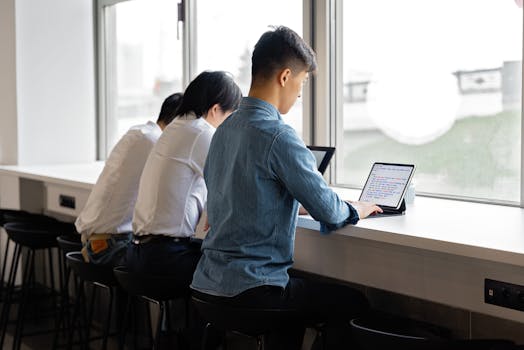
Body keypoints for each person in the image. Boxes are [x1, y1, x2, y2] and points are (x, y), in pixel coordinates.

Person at [191, 26, 382, 349]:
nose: (299, 93)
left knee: (292, 303)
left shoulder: (223, 130)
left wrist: (294, 201)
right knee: (351, 304)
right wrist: (357, 207)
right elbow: (330, 212)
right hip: (251, 291)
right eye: (302, 83)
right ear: (285, 77)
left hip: (206, 286)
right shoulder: (278, 135)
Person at [127, 71, 242, 285]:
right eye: (230, 117)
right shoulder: (201, 132)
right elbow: (235, 187)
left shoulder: (175, 129)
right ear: (216, 110)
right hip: (163, 257)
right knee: (238, 274)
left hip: (140, 251)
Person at [75, 92, 183, 266]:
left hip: (96, 241)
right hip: (108, 245)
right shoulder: (155, 143)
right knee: (176, 262)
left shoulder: (140, 132)